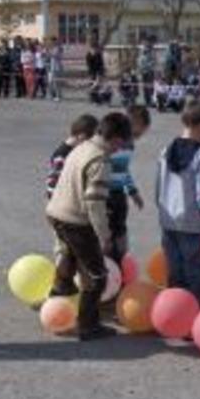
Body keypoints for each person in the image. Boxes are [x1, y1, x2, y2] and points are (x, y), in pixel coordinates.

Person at [46, 112, 133, 341]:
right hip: (75, 219)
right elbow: (94, 202)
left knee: (71, 255)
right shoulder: (100, 161)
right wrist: (103, 235)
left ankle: (60, 292)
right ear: (115, 139)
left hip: (56, 213)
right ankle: (88, 325)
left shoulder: (81, 147)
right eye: (121, 143)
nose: (120, 149)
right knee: (96, 276)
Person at [155, 99, 200, 302]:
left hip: (168, 223)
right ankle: (195, 317)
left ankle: (176, 316)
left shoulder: (165, 150)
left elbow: (158, 189)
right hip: (194, 226)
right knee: (197, 275)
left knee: (175, 274)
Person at [107, 106, 149, 266]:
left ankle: (119, 263)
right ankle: (109, 265)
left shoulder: (129, 145)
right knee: (107, 235)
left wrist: (133, 191)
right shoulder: (110, 142)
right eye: (135, 134)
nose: (134, 139)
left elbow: (123, 169)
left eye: (138, 136)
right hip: (103, 194)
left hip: (118, 194)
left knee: (120, 232)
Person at [46, 114, 100, 199]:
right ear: (82, 136)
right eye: (91, 139)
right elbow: (52, 183)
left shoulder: (75, 150)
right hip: (62, 202)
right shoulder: (62, 155)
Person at [137, 36, 157, 107]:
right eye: (144, 42)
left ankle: (151, 101)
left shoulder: (151, 50)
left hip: (149, 71)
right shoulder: (142, 50)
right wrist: (141, 67)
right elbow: (139, 60)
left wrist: (148, 65)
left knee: (150, 87)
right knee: (145, 87)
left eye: (146, 42)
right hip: (143, 71)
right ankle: (147, 101)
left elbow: (153, 61)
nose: (145, 43)